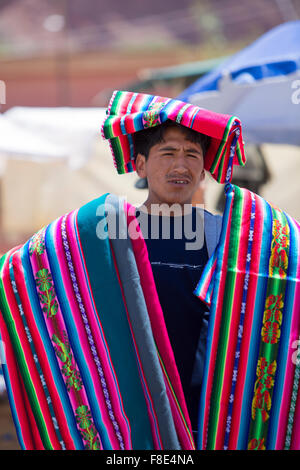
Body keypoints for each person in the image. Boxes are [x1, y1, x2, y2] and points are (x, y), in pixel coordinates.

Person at [131, 119, 222, 441]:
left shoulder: (225, 238)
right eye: (167, 153)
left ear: (203, 171)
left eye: (192, 155)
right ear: (140, 165)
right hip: (132, 412)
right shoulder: (113, 236)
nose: (180, 165)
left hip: (206, 416)